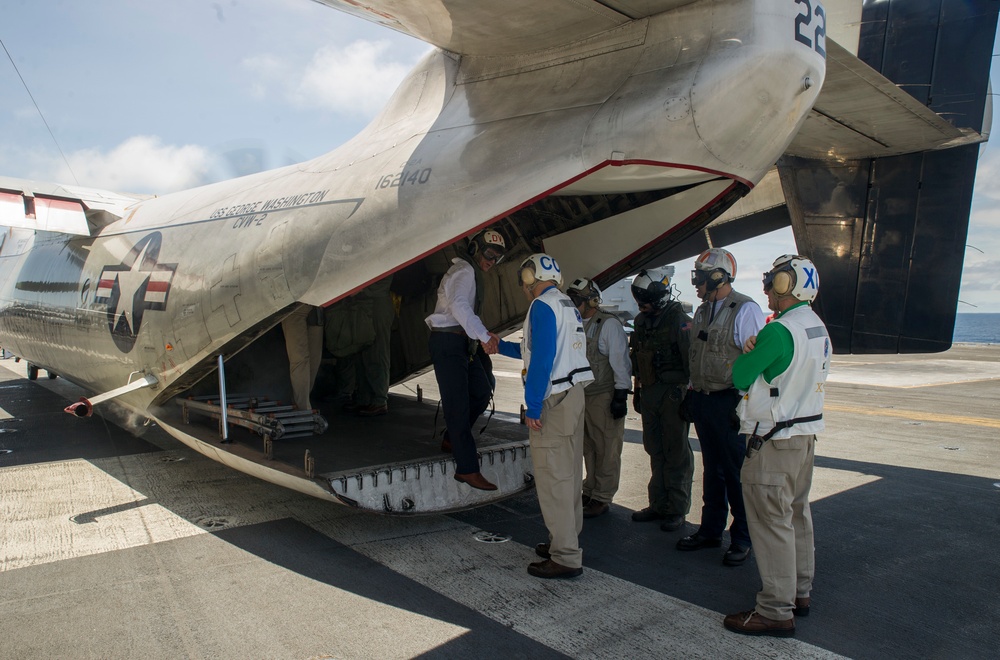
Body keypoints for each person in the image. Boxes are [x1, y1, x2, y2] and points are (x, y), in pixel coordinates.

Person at [723, 254, 828, 637]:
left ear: (786, 285)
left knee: (771, 525)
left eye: (772, 280)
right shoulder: (815, 326)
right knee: (798, 516)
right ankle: (800, 592)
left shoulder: (779, 331)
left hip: (773, 441)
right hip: (802, 439)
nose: (767, 287)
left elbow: (741, 375)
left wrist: (751, 351)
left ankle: (775, 610)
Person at [495, 253, 593, 579]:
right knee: (568, 475)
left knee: (554, 480)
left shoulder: (541, 306)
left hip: (554, 400)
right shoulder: (564, 304)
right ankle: (564, 541)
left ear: (529, 277)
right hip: (574, 395)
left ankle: (565, 556)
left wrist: (533, 405)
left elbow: (543, 359)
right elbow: (538, 348)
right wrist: (500, 347)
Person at [677, 248, 766, 566]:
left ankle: (742, 538)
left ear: (717, 276)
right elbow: (696, 356)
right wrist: (691, 392)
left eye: (700, 276)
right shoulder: (702, 311)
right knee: (712, 470)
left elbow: (754, 364)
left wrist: (743, 406)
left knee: (735, 473)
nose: (696, 283)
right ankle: (711, 531)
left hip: (729, 401)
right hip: (704, 400)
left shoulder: (745, 310)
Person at [425, 228, 506, 491]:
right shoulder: (464, 272)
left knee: (482, 392)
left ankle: (452, 438)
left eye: (497, 258)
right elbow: (459, 305)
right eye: (489, 254)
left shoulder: (469, 273)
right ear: (475, 249)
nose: (491, 262)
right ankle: (467, 468)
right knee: (457, 404)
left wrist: (479, 336)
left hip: (461, 342)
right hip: (448, 342)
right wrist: (483, 336)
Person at [627, 269, 694, 531]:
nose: (641, 306)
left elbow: (691, 363)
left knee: (675, 452)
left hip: (674, 393)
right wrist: (638, 390)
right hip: (651, 392)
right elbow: (638, 359)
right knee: (654, 448)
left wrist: (691, 397)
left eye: (645, 300)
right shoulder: (642, 322)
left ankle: (676, 509)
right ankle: (658, 504)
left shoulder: (680, 321)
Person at [565, 277, 631, 519]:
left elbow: (621, 362)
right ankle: (590, 489)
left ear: (590, 301)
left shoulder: (608, 325)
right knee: (588, 447)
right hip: (581, 395)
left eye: (577, 300)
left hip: (603, 395)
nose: (573, 305)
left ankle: (602, 497)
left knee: (607, 448)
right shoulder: (574, 323)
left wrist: (620, 395)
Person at [282, 304, 323, 411]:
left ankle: (301, 402)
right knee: (300, 359)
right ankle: (303, 408)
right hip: (294, 307)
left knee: (314, 360)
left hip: (315, 307)